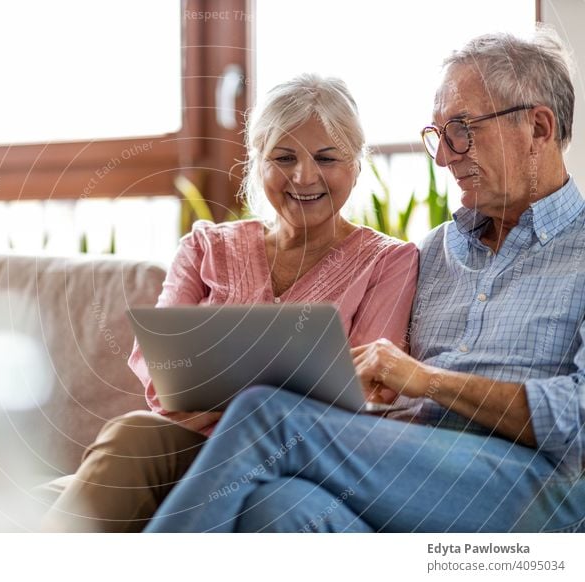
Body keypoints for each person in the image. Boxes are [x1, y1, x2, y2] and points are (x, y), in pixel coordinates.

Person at [145, 27, 585, 533]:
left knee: (267, 413)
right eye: (438, 136)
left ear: (539, 127)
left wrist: (428, 381)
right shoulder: (433, 252)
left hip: (532, 487)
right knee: (275, 507)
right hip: (405, 466)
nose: (443, 156)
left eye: (462, 129)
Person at [41, 73, 418, 532]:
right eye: (283, 157)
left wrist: (236, 403)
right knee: (135, 431)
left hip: (296, 459)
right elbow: (162, 375)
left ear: (356, 165)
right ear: (257, 163)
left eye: (327, 158)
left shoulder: (389, 262)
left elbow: (365, 391)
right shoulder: (205, 246)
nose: (304, 176)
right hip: (193, 443)